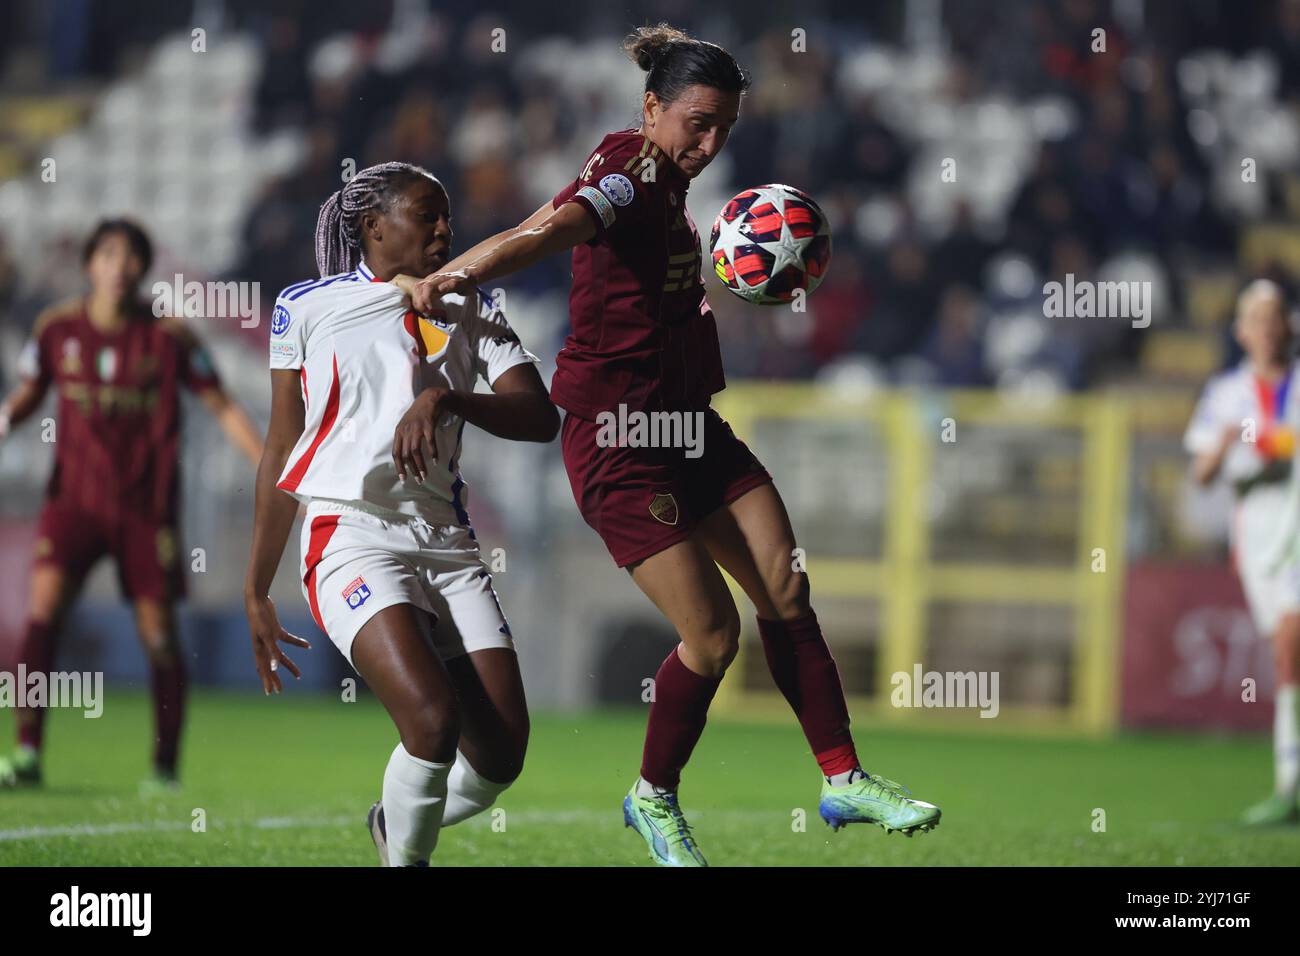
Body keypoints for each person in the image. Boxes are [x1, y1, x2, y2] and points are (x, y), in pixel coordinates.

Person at [396, 24, 940, 866]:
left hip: (690, 425)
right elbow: (551, 229)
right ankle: (653, 798)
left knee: (786, 589)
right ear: (653, 110)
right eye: (697, 122)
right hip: (618, 444)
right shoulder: (630, 173)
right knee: (715, 636)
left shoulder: (656, 174)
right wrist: (455, 275)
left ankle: (843, 777)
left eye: (724, 126)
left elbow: (549, 216)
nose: (710, 143)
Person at [244, 162, 556, 866]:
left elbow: (539, 417)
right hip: (349, 532)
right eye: (427, 215)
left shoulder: (472, 306)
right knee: (431, 719)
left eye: (447, 216)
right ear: (374, 226)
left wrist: (447, 399)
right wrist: (256, 586)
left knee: (502, 756)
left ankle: (394, 820)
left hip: (446, 542)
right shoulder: (307, 307)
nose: (446, 229)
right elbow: (280, 446)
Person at [0, 218, 262, 790]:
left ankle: (165, 767)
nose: (120, 265)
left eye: (131, 256)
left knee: (159, 636)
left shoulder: (170, 337)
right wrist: (5, 420)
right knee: (39, 620)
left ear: (144, 269)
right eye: (109, 254)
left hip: (147, 511)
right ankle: (25, 755)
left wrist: (266, 464)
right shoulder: (56, 329)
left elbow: (220, 404)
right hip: (72, 503)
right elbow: (29, 391)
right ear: (90, 264)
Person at [1187, 278, 1300, 825]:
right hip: (1259, 534)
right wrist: (1229, 442)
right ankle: (1289, 781)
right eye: (1255, 317)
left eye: (1274, 315)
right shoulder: (1226, 393)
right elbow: (1202, 474)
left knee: (1289, 642)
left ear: (1289, 325)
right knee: (1286, 653)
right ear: (1240, 331)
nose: (1266, 327)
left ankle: (1288, 782)